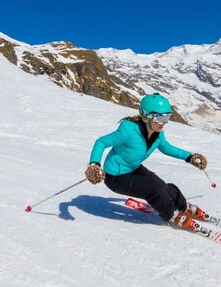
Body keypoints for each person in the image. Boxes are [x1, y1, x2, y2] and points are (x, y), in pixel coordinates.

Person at [86, 93, 207, 229]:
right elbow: (101, 142)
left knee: (164, 186)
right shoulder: (128, 130)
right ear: (147, 115)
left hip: (133, 168)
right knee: (155, 189)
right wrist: (94, 164)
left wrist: (190, 157)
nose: (164, 122)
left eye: (167, 117)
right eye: (161, 118)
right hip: (115, 176)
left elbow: (166, 148)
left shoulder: (158, 133)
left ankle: (182, 206)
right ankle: (170, 214)